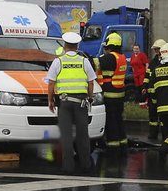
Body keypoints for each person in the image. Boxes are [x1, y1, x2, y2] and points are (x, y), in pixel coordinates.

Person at [46, 31, 98, 174]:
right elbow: (91, 82)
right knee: (82, 135)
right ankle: (86, 165)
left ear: (64, 46)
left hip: (64, 103)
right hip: (81, 103)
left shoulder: (59, 61)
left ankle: (68, 167)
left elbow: (51, 83)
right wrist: (90, 97)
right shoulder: (84, 61)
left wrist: (50, 100)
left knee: (66, 135)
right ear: (77, 46)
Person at [96, 32, 128, 152]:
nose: (105, 49)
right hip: (119, 94)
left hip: (110, 95)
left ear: (110, 45)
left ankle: (113, 147)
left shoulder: (110, 57)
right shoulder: (122, 57)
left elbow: (93, 63)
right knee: (119, 120)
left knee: (111, 121)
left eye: (106, 47)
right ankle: (123, 143)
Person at [145, 39, 167, 140]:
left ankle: (165, 135)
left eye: (157, 49)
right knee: (152, 115)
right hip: (152, 92)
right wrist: (144, 87)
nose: (156, 51)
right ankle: (153, 134)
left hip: (162, 93)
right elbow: (147, 75)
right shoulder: (153, 62)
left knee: (163, 115)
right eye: (155, 49)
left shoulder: (166, 62)